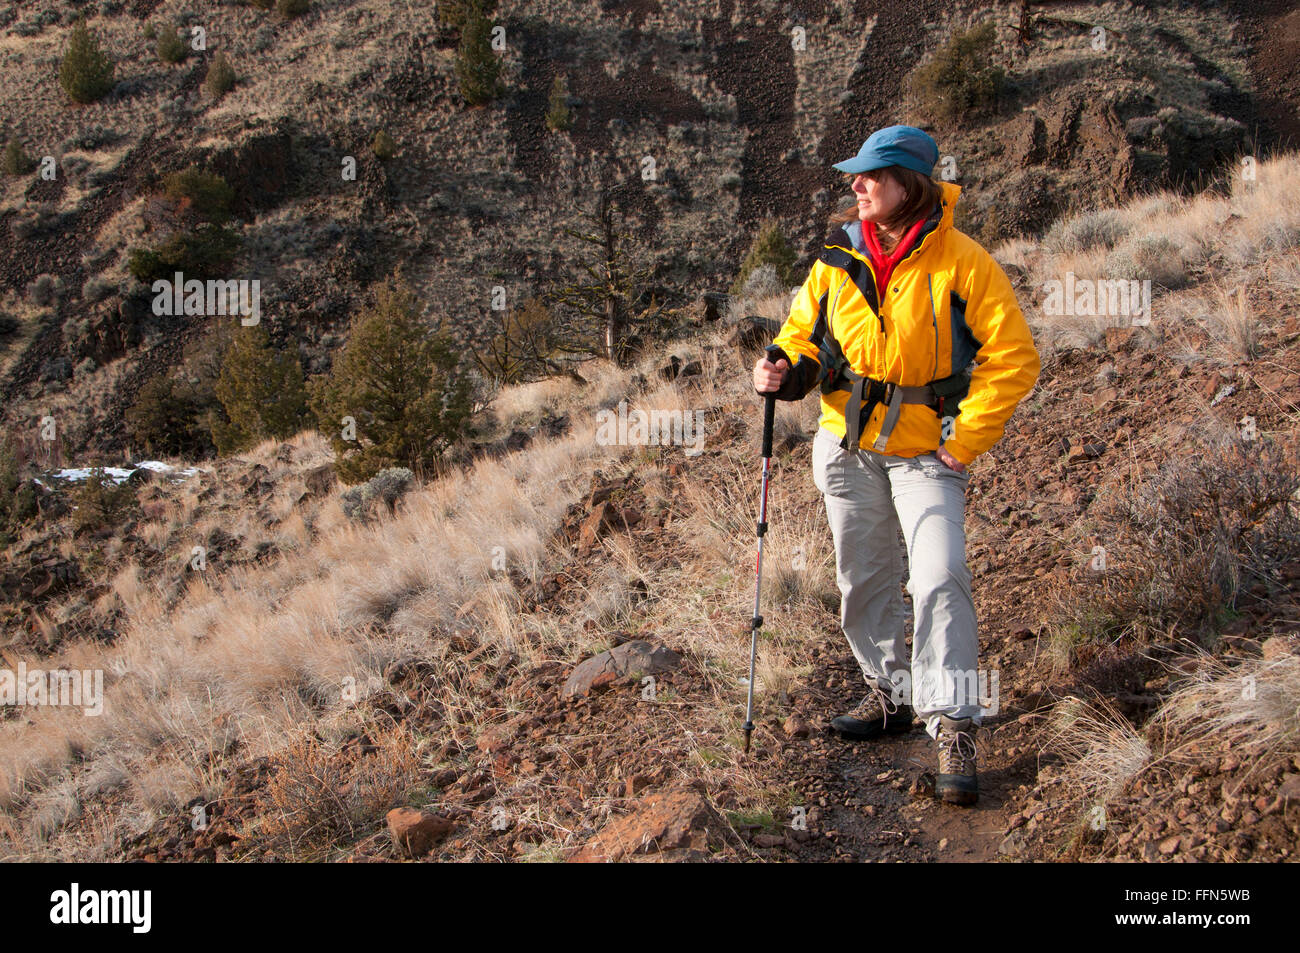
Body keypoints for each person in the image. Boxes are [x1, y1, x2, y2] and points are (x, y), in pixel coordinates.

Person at [752, 125, 1040, 806]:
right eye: (855, 176)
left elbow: (1014, 358)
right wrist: (786, 372)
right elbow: (806, 338)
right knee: (864, 577)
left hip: (926, 454)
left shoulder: (964, 263)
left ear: (908, 184)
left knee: (940, 573)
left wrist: (964, 438)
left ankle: (954, 724)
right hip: (846, 448)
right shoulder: (835, 258)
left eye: (871, 176)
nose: (857, 185)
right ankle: (889, 693)